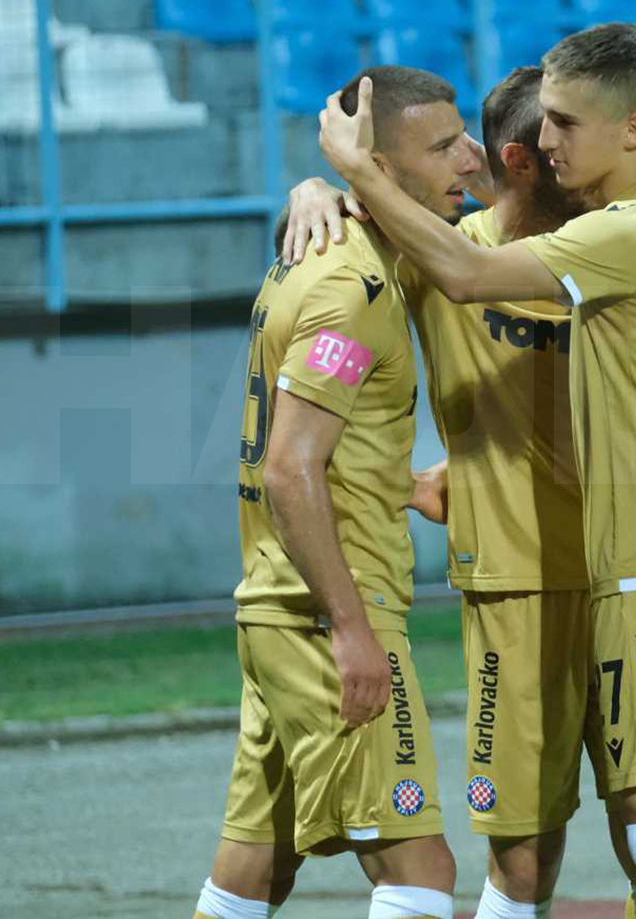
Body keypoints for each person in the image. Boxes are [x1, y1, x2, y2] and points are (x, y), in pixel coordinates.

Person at [317, 23, 636, 919]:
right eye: (540, 131)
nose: (541, 148)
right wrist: (320, 189)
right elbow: (411, 269)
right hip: (554, 585)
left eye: (563, 126)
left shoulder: (623, 239)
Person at [191, 66, 483, 919]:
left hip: (281, 608)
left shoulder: (329, 250)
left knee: (254, 871)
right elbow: (290, 466)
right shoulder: (349, 287)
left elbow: (322, 448)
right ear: (380, 171)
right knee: (418, 869)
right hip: (327, 615)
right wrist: (353, 631)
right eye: (442, 147)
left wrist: (401, 483)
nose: (469, 157)